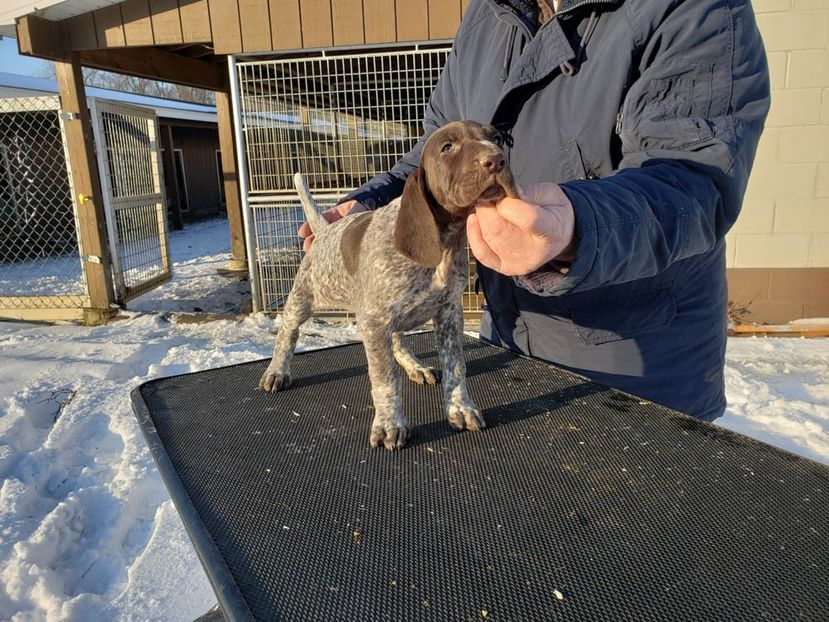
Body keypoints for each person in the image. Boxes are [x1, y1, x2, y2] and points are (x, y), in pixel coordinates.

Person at [299, 0, 770, 422]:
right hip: (507, 337)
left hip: (636, 366)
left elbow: (693, 181)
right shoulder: (488, 15)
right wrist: (372, 202)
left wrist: (578, 227)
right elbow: (437, 150)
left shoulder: (693, 7)